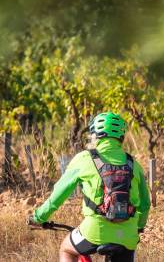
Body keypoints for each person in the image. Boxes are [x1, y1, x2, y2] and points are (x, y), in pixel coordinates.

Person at [28, 112, 151, 262]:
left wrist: (38, 217)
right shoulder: (134, 164)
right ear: (121, 137)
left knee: (67, 250)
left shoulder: (85, 158)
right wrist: (138, 227)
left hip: (94, 231)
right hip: (128, 236)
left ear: (96, 135)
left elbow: (58, 196)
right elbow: (145, 204)